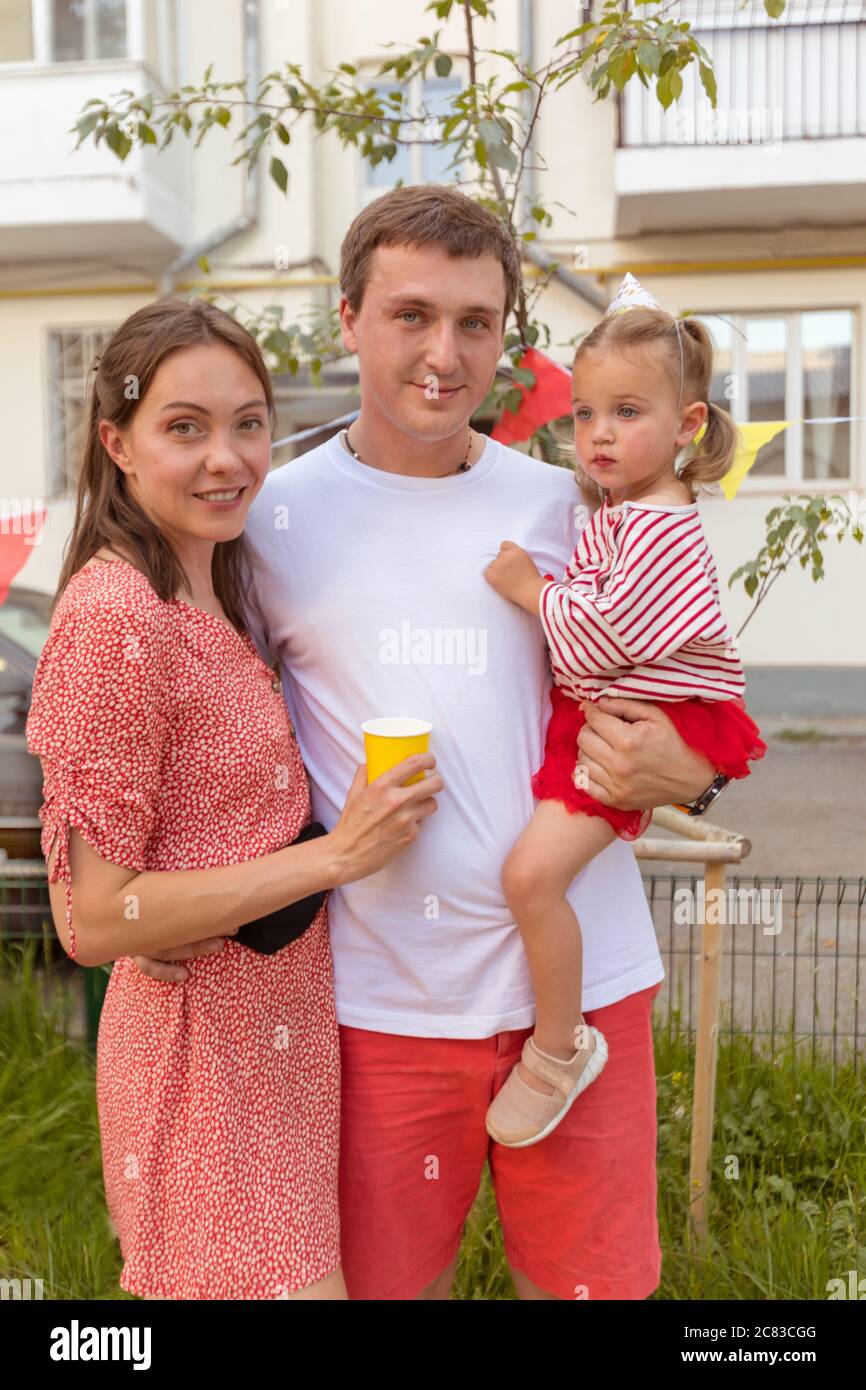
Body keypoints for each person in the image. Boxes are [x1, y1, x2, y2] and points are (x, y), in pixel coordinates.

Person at [132, 186, 724, 1301]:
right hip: (374, 1005)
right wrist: (167, 895)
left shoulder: (571, 502)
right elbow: (201, 716)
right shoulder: (268, 515)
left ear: (504, 337)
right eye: (410, 315)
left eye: (473, 322)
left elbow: (689, 678)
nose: (442, 354)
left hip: (584, 996)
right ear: (347, 316)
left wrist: (703, 765)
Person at [25, 298, 442, 1300]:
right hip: (199, 1070)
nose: (227, 457)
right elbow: (91, 916)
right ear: (116, 442)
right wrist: (337, 855)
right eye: (185, 427)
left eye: (248, 422)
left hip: (279, 1053)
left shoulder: (225, 582)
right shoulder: (114, 616)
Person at [482, 274, 767, 1149]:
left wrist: (532, 590)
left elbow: (599, 643)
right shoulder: (628, 508)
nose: (599, 435)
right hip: (625, 717)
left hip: (645, 723)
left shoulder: (655, 523)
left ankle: (560, 1049)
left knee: (531, 879)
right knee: (533, 874)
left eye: (628, 413)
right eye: (586, 414)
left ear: (686, 426)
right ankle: (558, 1038)